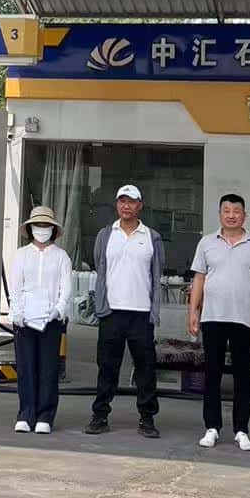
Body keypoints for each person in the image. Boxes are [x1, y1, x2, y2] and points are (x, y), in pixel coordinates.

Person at [188, 193, 250, 452]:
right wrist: (193, 311)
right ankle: (212, 427)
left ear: (244, 215)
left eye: (236, 211)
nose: (231, 215)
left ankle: (241, 430)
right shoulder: (206, 243)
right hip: (212, 317)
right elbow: (199, 279)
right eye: (226, 210)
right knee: (211, 374)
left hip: (243, 319)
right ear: (220, 214)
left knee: (242, 376)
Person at [85, 183, 165, 438]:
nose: (126, 206)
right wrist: (101, 306)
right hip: (112, 312)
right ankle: (100, 416)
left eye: (131, 201)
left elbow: (157, 275)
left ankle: (147, 418)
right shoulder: (106, 235)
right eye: (122, 201)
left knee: (145, 368)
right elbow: (100, 268)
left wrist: (154, 311)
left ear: (140, 205)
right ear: (116, 204)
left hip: (141, 313)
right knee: (107, 367)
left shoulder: (151, 237)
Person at [7, 205, 72, 433]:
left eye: (46, 225)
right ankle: (26, 414)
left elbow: (66, 287)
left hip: (51, 320)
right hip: (24, 319)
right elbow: (15, 287)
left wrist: (59, 309)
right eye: (38, 225)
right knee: (26, 367)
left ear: (52, 229)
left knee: (48, 368)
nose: (42, 229)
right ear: (30, 228)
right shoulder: (21, 255)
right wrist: (17, 312)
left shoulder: (61, 256)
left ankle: (45, 415)